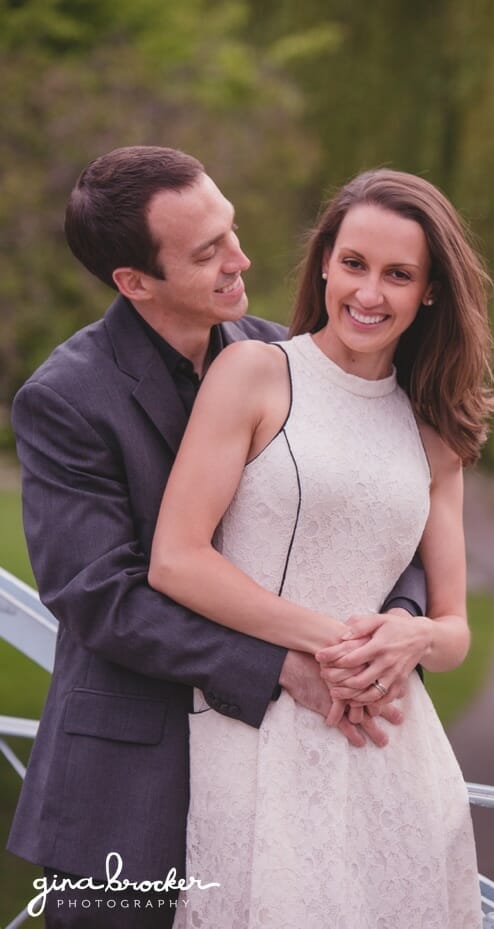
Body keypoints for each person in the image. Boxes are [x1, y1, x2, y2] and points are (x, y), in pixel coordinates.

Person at [7, 146, 424, 929]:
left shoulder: (280, 355)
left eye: (230, 230)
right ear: (134, 282)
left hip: (289, 775)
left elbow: (384, 506)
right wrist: (278, 665)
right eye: (208, 252)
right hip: (128, 794)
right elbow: (102, 596)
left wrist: (399, 620)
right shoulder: (64, 399)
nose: (242, 258)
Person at [147, 167, 494, 927]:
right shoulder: (255, 373)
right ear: (324, 264)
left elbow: (455, 630)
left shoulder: (436, 434)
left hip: (390, 748)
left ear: (431, 290)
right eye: (353, 264)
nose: (369, 293)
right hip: (257, 728)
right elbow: (176, 557)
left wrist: (413, 635)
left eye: (398, 275)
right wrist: (335, 645)